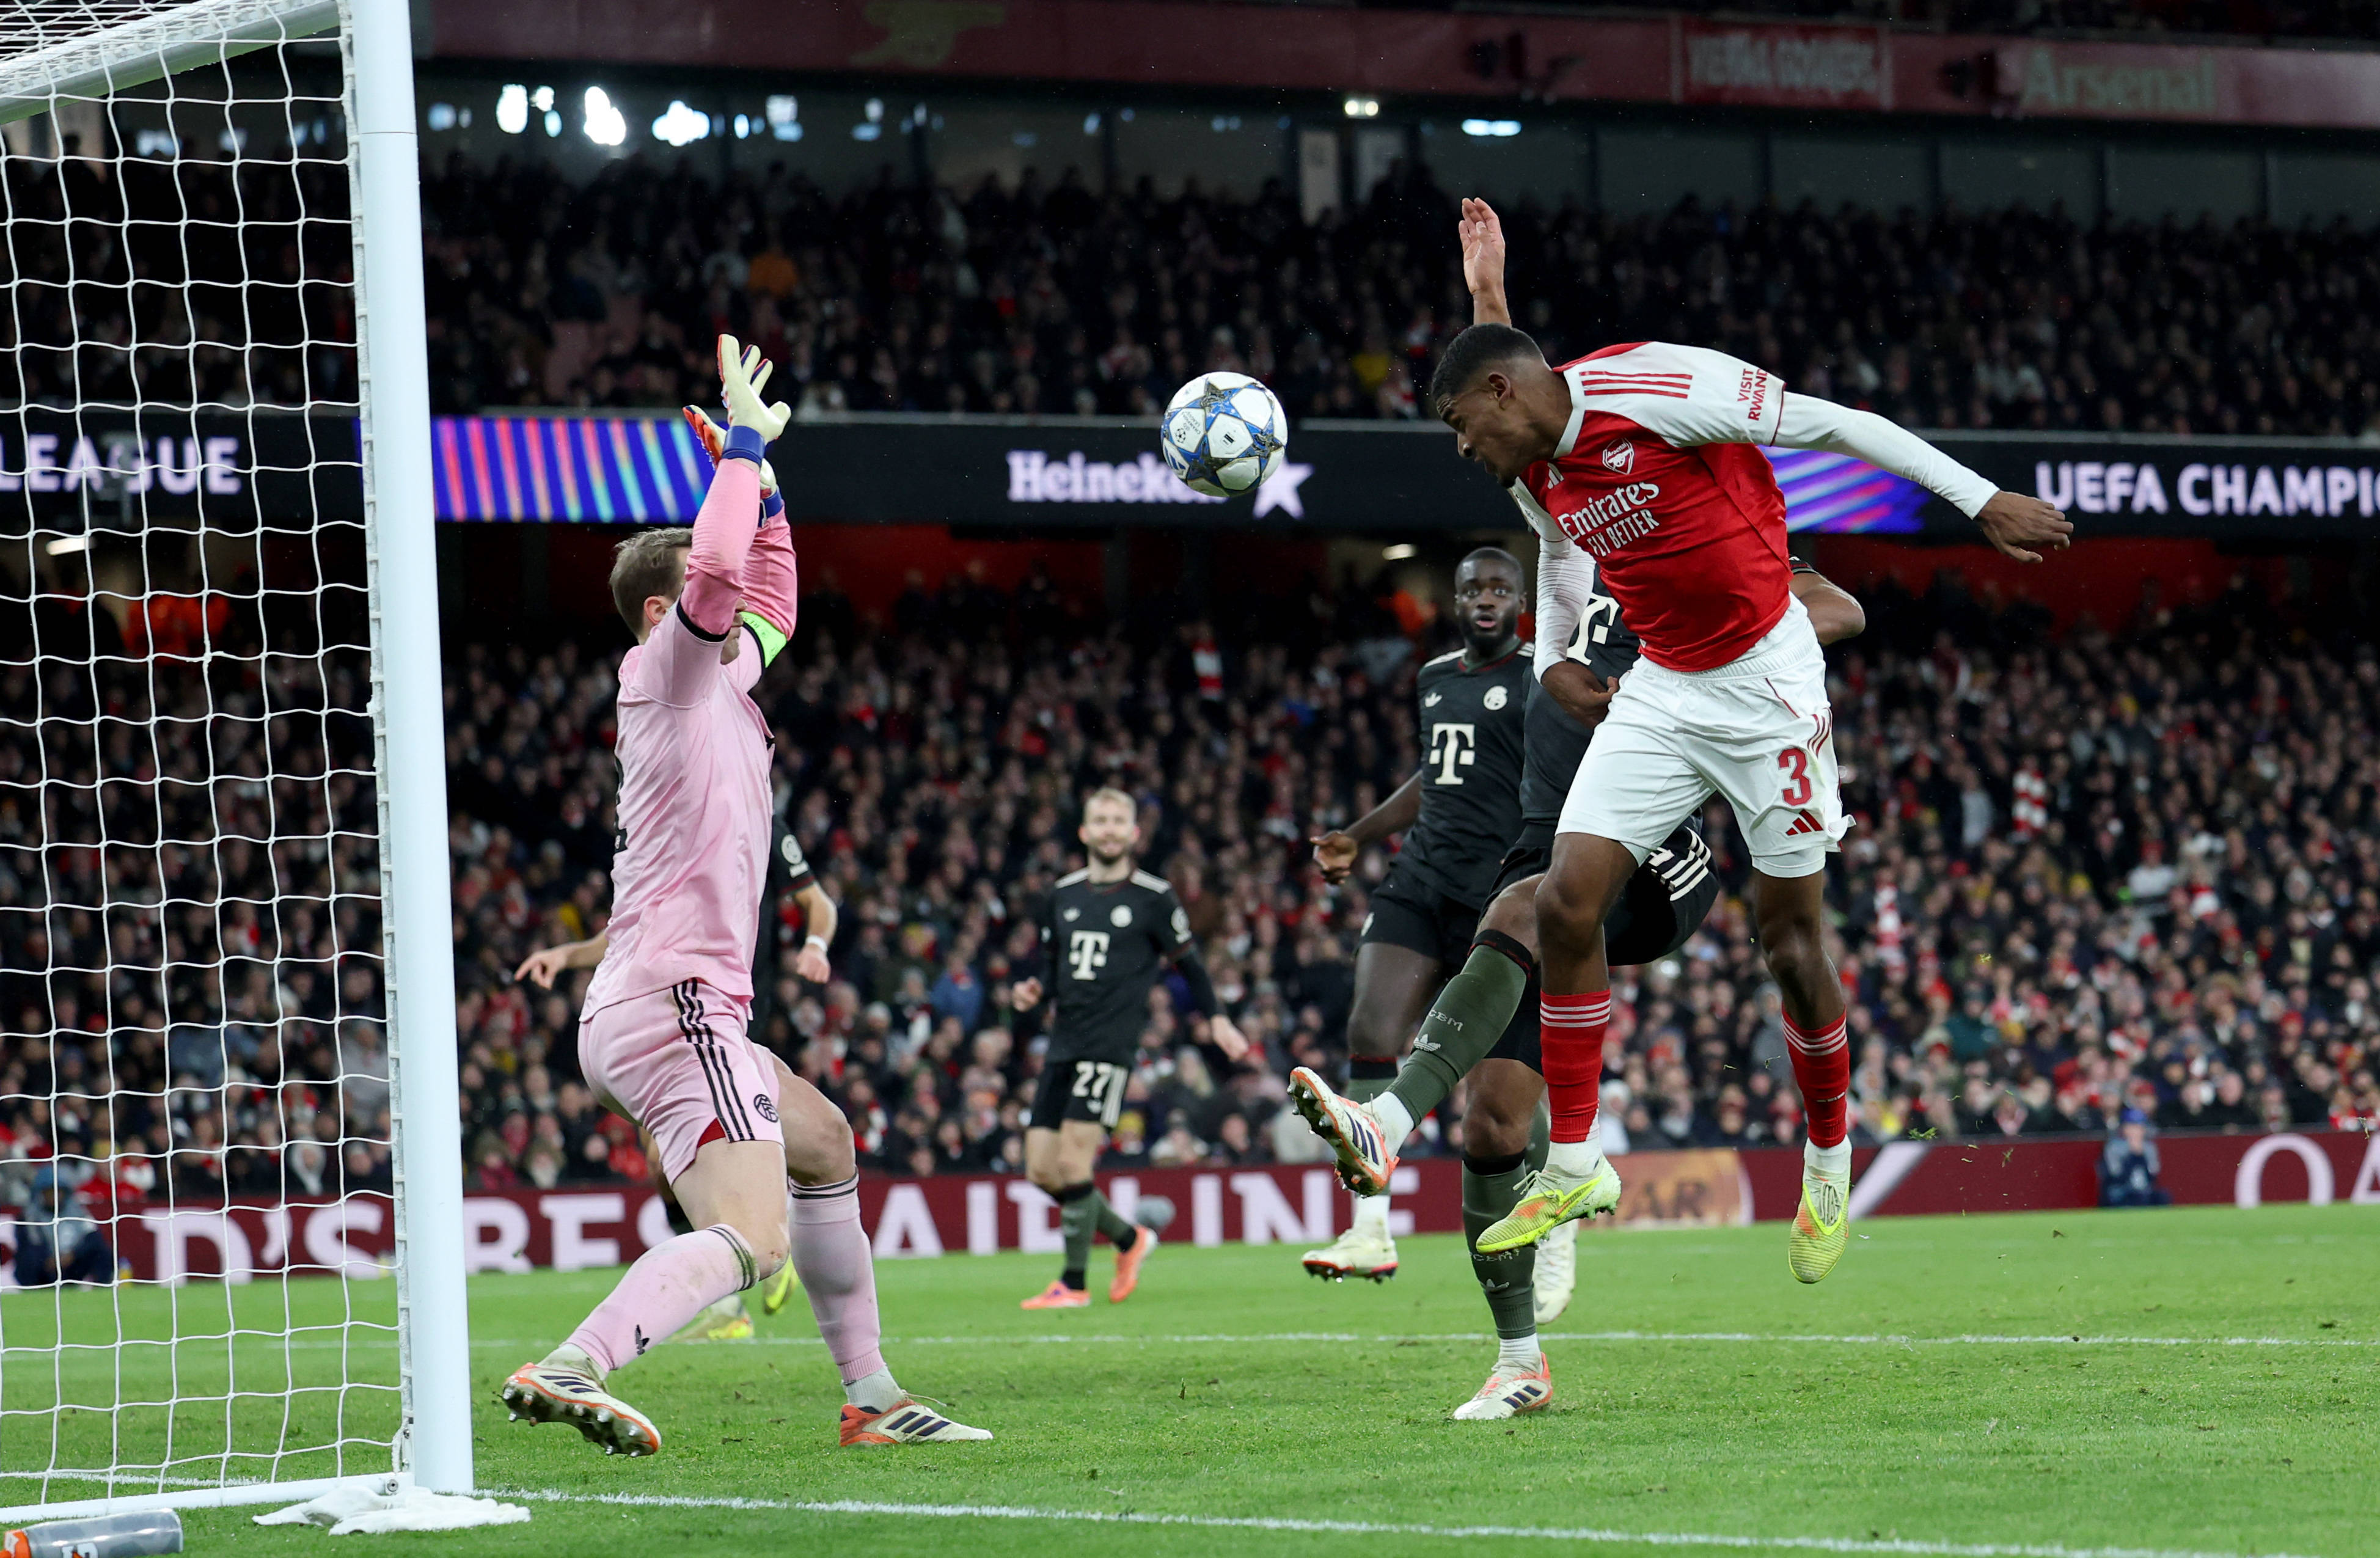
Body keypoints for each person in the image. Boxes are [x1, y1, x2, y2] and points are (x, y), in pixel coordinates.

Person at [1426, 197, 2070, 1286]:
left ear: (1500, 395)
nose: (1459, 448)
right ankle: (1575, 1163)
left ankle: (1827, 1156)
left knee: (1790, 946)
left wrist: (1979, 499)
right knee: (1565, 899)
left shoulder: (1660, 388)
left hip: (1768, 686)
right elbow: (1559, 542)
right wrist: (1552, 660)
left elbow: (1839, 425)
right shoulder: (1530, 461)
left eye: (1459, 424)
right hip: (1662, 687)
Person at [500, 337, 987, 1455]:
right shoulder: (667, 674)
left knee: (825, 1140)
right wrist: (742, 450)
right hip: (678, 1002)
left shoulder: (717, 683)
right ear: (661, 609)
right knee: (753, 1240)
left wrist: (762, 489)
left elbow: (768, 596)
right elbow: (720, 580)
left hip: (653, 1003)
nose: (717, 605)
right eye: (694, 590)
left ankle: (872, 1397)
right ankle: (575, 1363)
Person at [1293, 553, 1865, 1418]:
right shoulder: (1558, 545)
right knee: (1491, 1124)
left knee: (1778, 947)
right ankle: (1519, 1362)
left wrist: (1711, 647)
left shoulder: (1692, 526)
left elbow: (1837, 608)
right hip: (1538, 850)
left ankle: (1389, 1120)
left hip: (1652, 844)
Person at [1297, 548, 1532, 1284]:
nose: (1485, 599)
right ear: (1454, 602)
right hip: (1421, 877)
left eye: (1499, 589)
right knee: (1370, 1030)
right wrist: (1358, 835)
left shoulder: (1541, 680)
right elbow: (1437, 773)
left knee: (1501, 1093)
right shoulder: (1434, 677)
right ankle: (1369, 1230)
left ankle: (1552, 1209)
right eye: (1473, 590)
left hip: (1497, 896)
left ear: (1521, 601)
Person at [517, 819, 837, 1339]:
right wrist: (567, 955)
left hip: (728, 1017)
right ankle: (748, 1269)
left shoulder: (758, 820)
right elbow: (632, 933)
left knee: (741, 1148)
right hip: (675, 1017)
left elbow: (818, 902)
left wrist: (815, 945)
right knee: (661, 1164)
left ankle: (767, 1244)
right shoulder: (670, 822)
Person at [1013, 788, 1250, 1309]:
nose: (1109, 829)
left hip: (1109, 1043)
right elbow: (1052, 969)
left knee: (1073, 1163)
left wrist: (1217, 1019)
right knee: (1041, 1171)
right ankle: (1129, 1238)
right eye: (1100, 820)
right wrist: (1034, 991)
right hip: (1063, 1044)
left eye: (1118, 821)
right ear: (1084, 831)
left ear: (1133, 833)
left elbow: (1191, 965)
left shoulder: (1153, 897)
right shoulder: (1061, 895)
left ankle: (1073, 1284)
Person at [2098, 1108, 2171, 1207]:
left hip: (2144, 1190)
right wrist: (2133, 1155)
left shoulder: (2149, 1147)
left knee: (2162, 1196)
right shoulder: (2114, 1147)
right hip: (2121, 1190)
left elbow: (2153, 1174)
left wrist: (2140, 1155)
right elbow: (2115, 1175)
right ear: (2123, 1128)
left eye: (2138, 1127)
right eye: (2131, 1127)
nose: (2135, 1131)